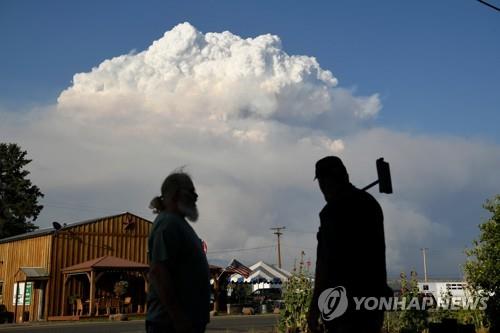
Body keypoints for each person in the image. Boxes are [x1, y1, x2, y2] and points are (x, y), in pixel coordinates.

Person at [307, 156, 390, 333]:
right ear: (346, 176)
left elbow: (324, 263)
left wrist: (315, 307)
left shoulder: (332, 212)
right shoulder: (369, 203)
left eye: (322, 182)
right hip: (372, 302)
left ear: (325, 182)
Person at [147, 170, 210, 333]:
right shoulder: (167, 224)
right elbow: (159, 273)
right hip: (170, 325)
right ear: (175, 194)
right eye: (191, 192)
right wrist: (179, 318)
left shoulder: (177, 223)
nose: (196, 197)